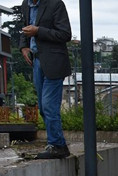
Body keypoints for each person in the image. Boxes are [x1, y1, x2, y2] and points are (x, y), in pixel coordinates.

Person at [19, 0, 72, 160]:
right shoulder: (25, 5)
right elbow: (24, 27)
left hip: (54, 62)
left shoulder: (55, 4)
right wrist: (23, 46)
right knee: (43, 107)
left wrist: (38, 31)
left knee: (49, 105)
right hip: (37, 61)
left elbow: (65, 34)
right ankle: (57, 144)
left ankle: (57, 145)